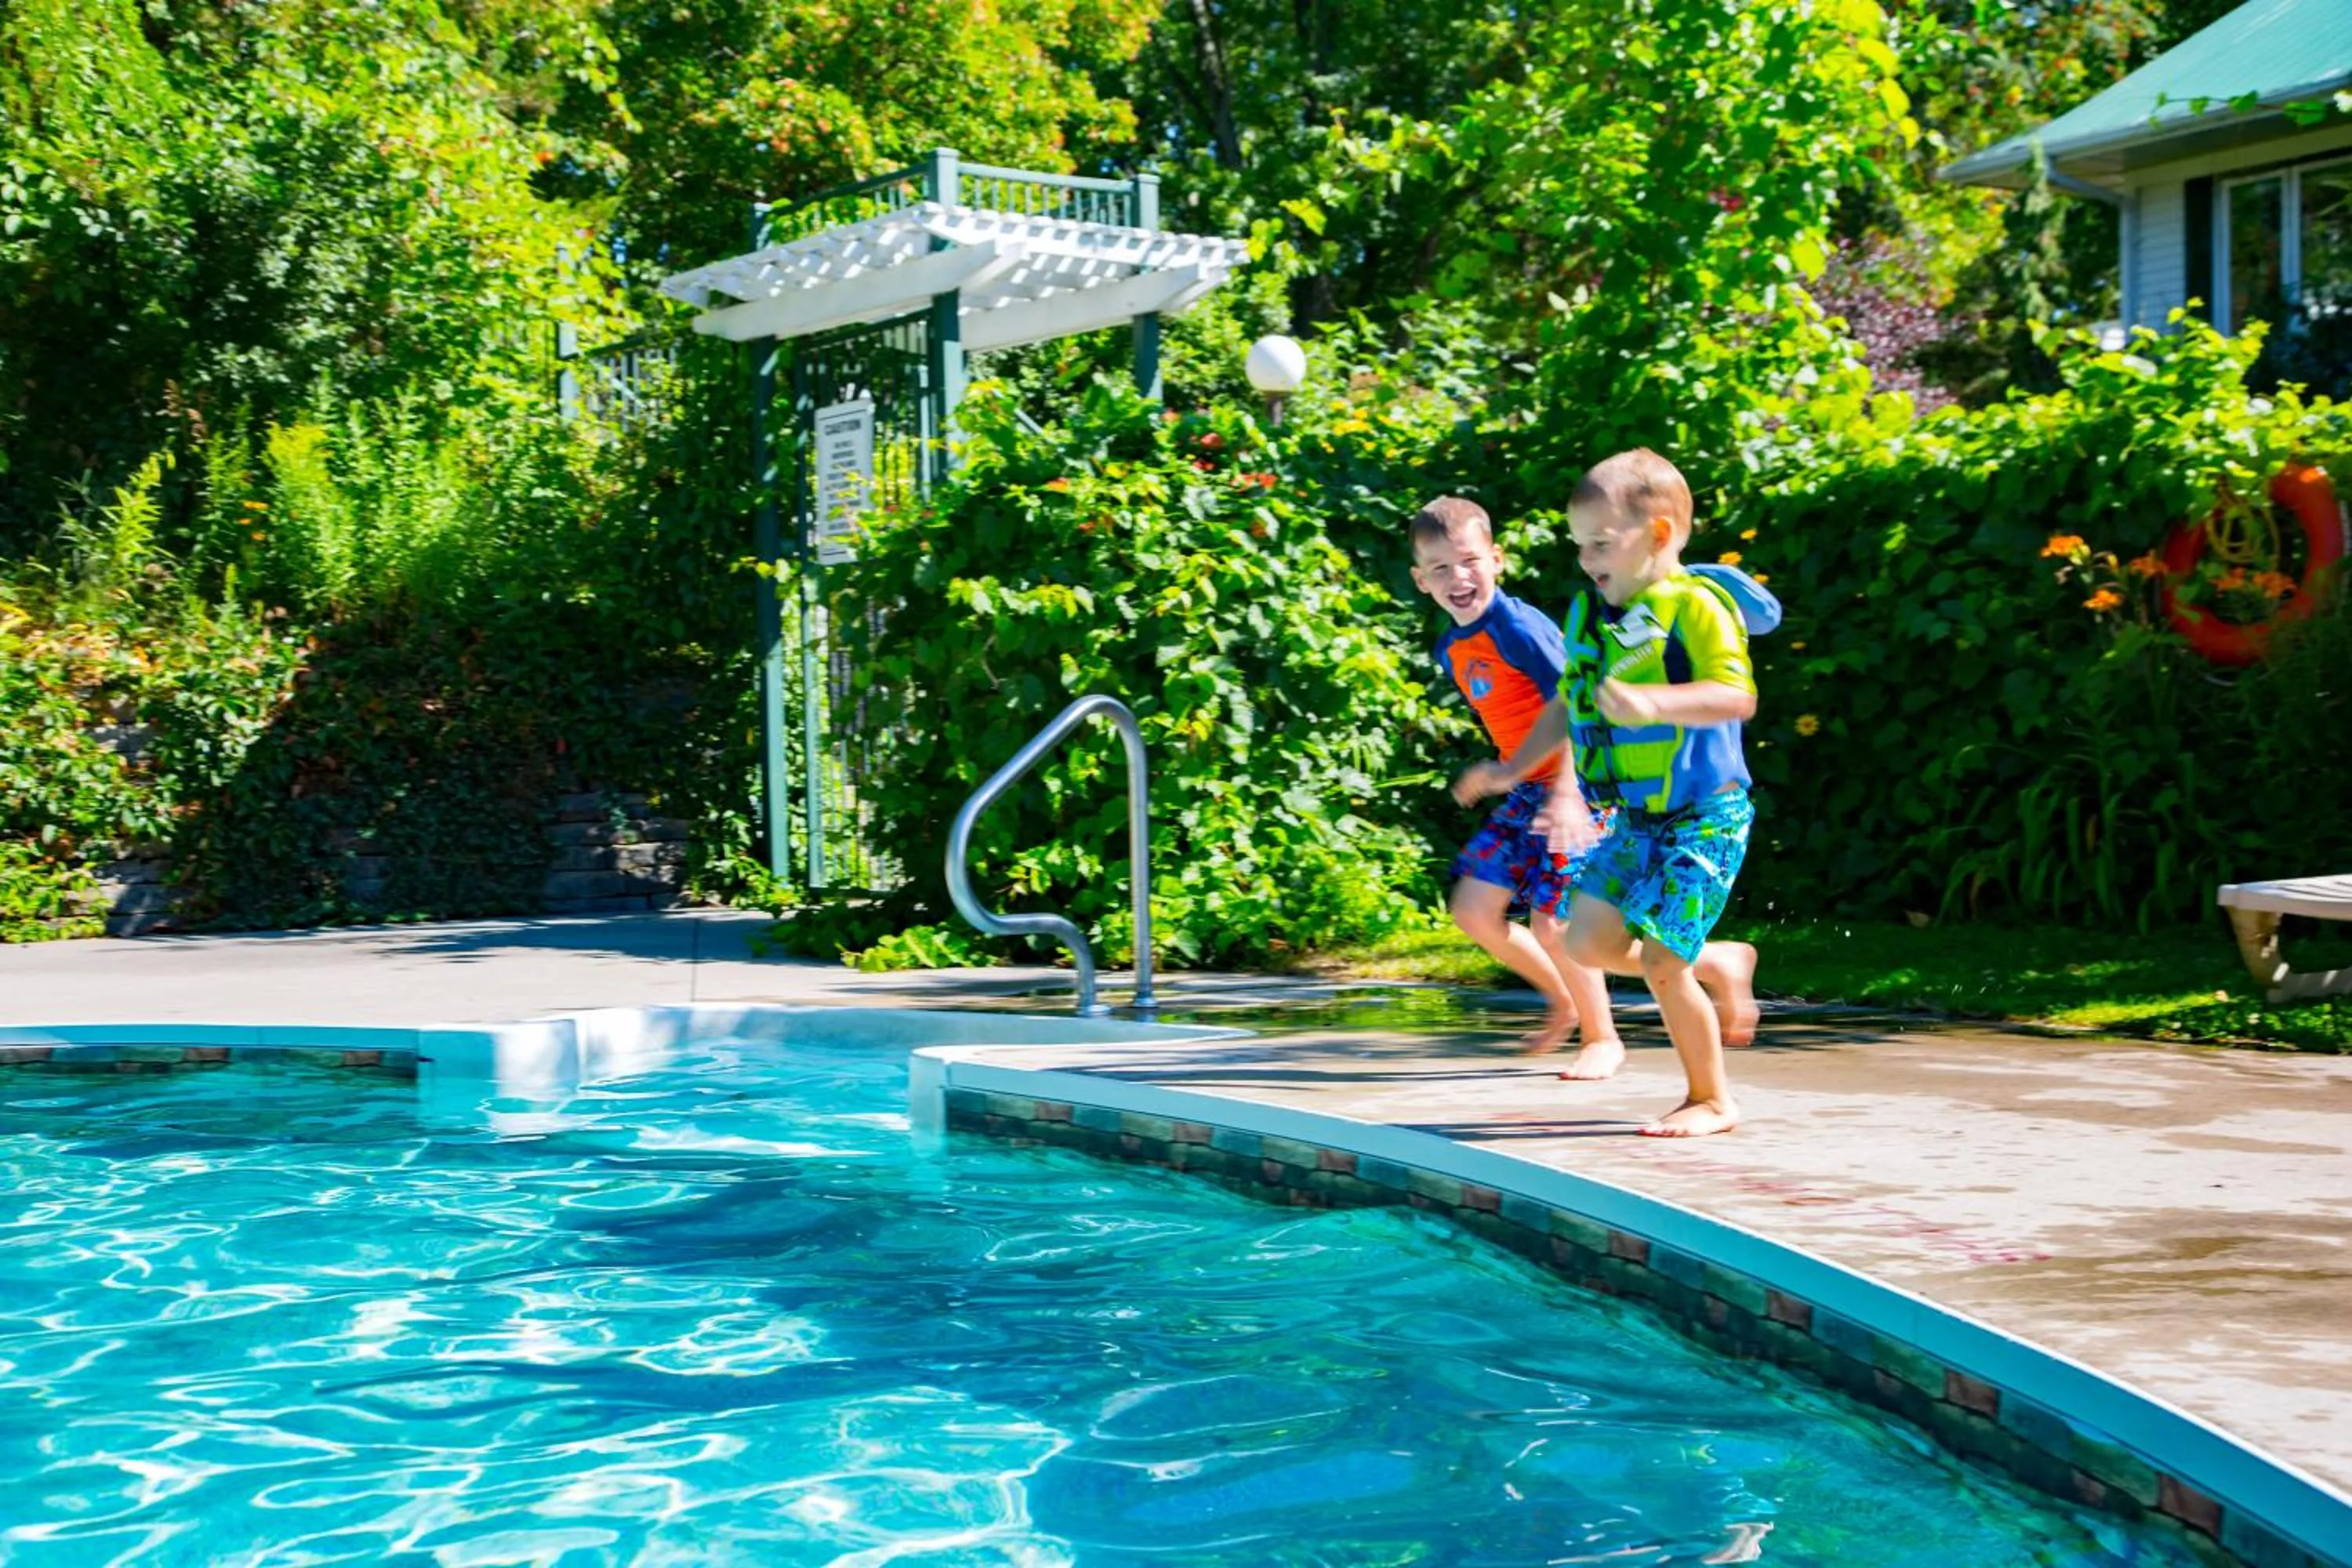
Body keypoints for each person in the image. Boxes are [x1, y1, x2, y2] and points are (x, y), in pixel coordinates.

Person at [1455, 450, 1768, 1136]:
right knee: (1586, 943)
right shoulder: (1592, 616)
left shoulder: (1695, 607)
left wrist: (1652, 702)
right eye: (1579, 544)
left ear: (1657, 534)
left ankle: (1710, 1098)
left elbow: (1736, 696)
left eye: (1601, 542)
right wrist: (1510, 772)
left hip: (1705, 817)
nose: (1587, 557)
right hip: (1638, 818)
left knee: (1659, 962)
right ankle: (1719, 958)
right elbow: (1567, 708)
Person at [1410, 495, 1622, 1070]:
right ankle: (1563, 1001)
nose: (1459, 578)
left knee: (1554, 922)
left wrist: (1568, 791)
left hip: (1583, 787)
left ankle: (1603, 1038)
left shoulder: (1518, 628)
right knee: (1474, 911)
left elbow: (1580, 705)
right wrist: (1501, 773)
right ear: (1421, 580)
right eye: (1441, 568)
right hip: (1530, 789)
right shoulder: (1454, 645)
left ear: (1497, 560)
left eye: (1470, 561)